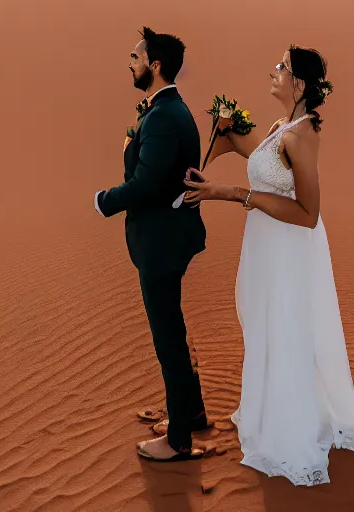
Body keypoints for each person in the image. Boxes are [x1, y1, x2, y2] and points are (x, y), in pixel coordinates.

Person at [183, 45, 354, 485]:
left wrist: (231, 194)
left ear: (299, 83)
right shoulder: (282, 126)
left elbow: (308, 214)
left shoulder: (300, 137)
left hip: (289, 250)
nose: (273, 71)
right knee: (265, 323)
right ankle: (267, 407)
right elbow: (258, 159)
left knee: (285, 326)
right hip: (267, 247)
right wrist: (222, 135)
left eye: (281, 67)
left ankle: (289, 428)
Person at [93, 27, 211, 462]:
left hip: (161, 242)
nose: (131, 62)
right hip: (168, 237)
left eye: (135, 56)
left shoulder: (163, 116)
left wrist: (103, 201)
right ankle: (191, 410)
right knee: (172, 329)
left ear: (154, 65)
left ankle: (179, 438)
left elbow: (143, 185)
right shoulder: (166, 110)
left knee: (168, 338)